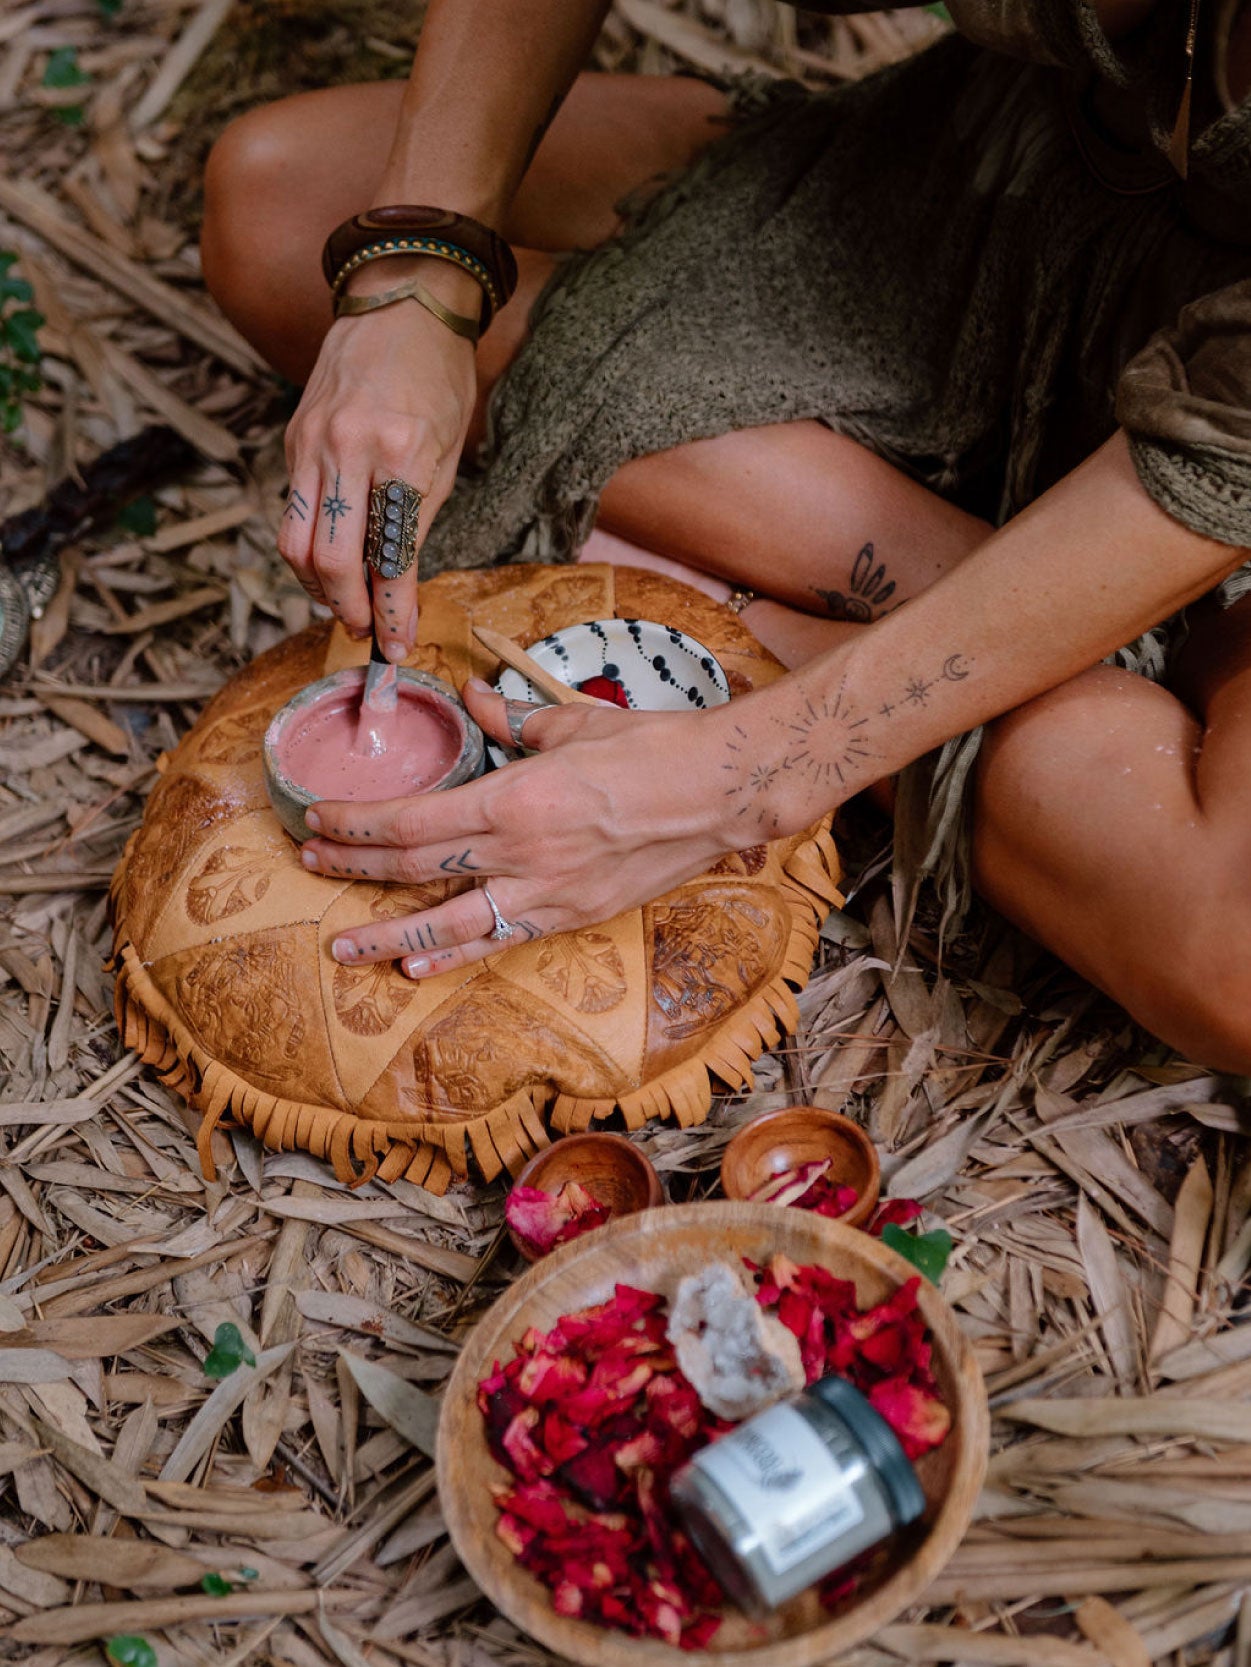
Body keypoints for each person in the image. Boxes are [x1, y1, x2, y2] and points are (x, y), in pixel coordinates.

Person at [200, 0, 1251, 1070]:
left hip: (1230, 440)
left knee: (1235, 964)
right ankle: (1015, 611)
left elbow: (1223, 457)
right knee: (284, 209)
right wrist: (418, 282)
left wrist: (743, 773)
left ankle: (797, 603)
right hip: (987, 184)